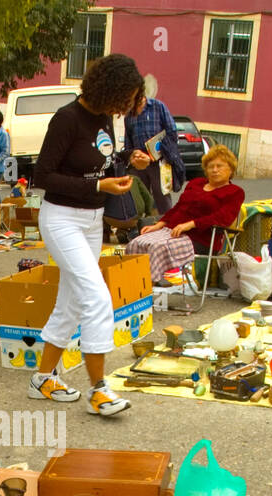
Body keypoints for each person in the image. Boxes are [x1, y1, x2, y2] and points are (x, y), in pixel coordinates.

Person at [30, 53, 149, 417]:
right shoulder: (66, 119)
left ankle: (42, 378)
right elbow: (42, 176)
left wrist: (130, 160)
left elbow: (101, 162)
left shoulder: (104, 118)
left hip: (92, 220)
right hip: (61, 219)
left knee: (71, 301)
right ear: (110, 89)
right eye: (126, 97)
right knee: (97, 298)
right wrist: (101, 184)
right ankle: (99, 390)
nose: (128, 105)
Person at [130, 143, 243, 284]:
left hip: (200, 238)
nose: (214, 170)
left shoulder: (234, 192)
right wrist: (158, 225)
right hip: (172, 232)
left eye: (219, 166)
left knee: (156, 248)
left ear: (230, 169)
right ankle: (133, 288)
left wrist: (191, 225)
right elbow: (179, 207)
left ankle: (148, 287)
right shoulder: (196, 183)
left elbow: (223, 218)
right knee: (136, 243)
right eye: (210, 166)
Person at [124, 91, 185, 216]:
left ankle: (166, 224)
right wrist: (131, 159)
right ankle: (143, 225)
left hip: (160, 161)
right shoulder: (129, 115)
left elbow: (172, 132)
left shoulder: (158, 106)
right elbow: (128, 142)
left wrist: (158, 150)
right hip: (139, 163)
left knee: (162, 196)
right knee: (140, 198)